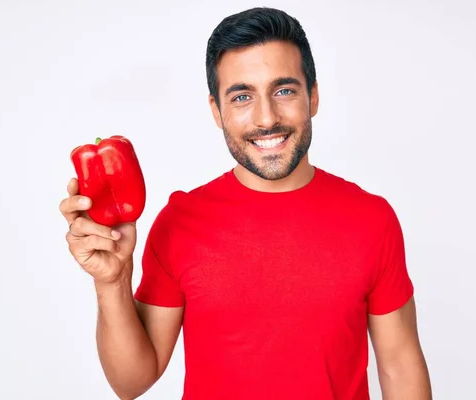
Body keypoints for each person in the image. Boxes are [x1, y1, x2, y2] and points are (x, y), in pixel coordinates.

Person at [59, 7, 432, 400]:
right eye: (242, 97)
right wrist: (113, 282)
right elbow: (131, 382)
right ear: (217, 112)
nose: (266, 117)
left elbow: (399, 365)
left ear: (314, 96)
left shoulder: (371, 220)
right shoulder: (179, 222)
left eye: (284, 90)